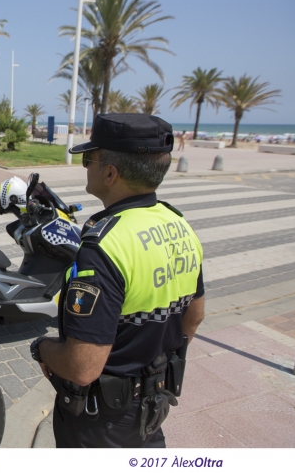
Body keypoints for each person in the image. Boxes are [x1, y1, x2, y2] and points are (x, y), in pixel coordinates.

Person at [31, 113, 206, 448]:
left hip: (101, 423)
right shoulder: (180, 225)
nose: (85, 166)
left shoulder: (105, 245)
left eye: (88, 159)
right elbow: (193, 317)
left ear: (110, 173)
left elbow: (83, 367)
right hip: (153, 407)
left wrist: (42, 348)